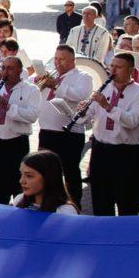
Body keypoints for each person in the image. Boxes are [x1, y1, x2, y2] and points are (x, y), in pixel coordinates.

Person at [85, 51, 139, 216]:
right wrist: (81, 111)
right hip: (101, 150)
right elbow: (89, 116)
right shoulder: (103, 87)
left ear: (130, 70)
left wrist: (108, 106)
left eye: (118, 67)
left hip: (127, 153)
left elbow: (132, 121)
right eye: (112, 66)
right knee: (100, 200)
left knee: (127, 202)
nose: (112, 70)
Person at [35, 45, 94, 207]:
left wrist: (56, 86)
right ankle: (46, 203)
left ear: (72, 60)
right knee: (45, 171)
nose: (57, 62)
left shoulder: (83, 76)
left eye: (62, 59)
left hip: (70, 133)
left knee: (70, 171)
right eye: (56, 58)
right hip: (47, 130)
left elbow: (80, 94)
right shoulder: (50, 75)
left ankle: (74, 205)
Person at [0, 57, 43, 204]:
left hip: (15, 144)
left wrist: (7, 106)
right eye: (3, 68)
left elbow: (32, 116)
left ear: (20, 71)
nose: (5, 72)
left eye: (10, 68)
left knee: (17, 186)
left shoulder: (31, 90)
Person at [12, 150, 79, 214]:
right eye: (21, 174)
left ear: (48, 177)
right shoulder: (19, 199)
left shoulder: (65, 211)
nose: (21, 181)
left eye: (29, 176)